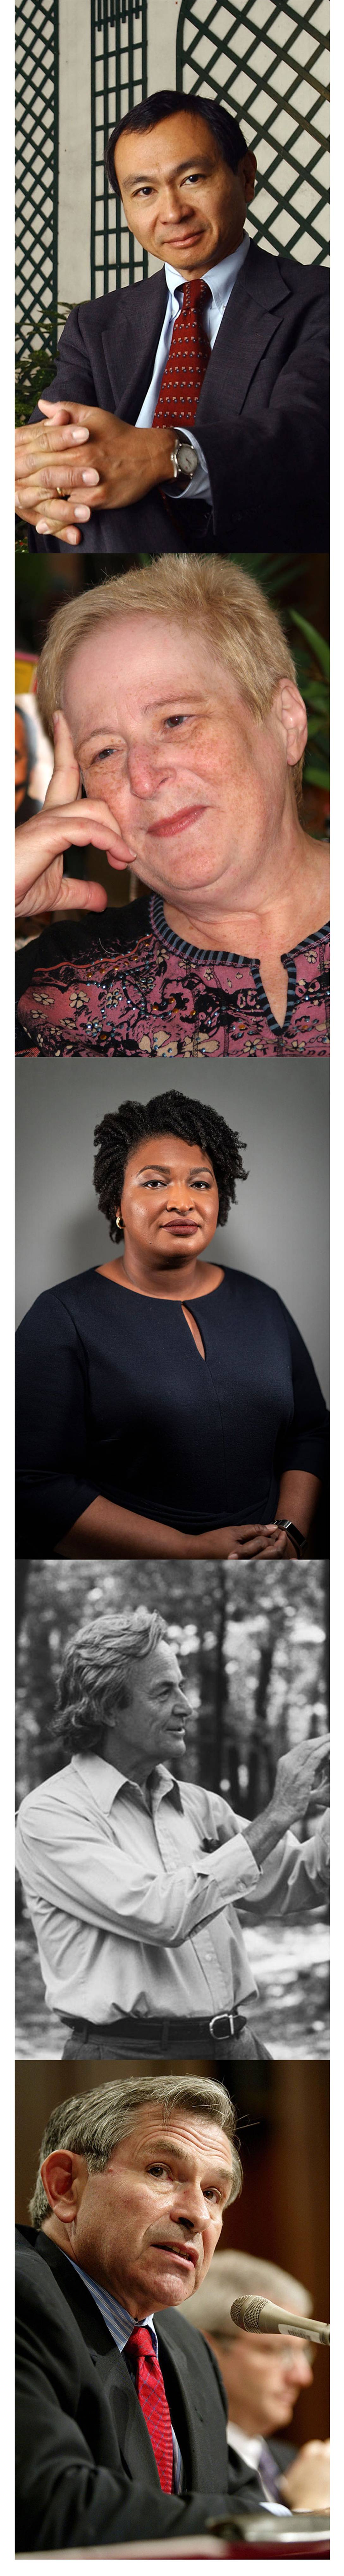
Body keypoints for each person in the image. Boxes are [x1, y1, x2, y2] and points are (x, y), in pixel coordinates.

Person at [15, 557, 330, 1057]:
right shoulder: (53, 989)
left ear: (286, 721)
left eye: (176, 720)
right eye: (105, 752)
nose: (142, 779)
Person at [15, 1089, 329, 1560]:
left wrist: (291, 1536)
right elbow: (34, 1484)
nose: (182, 1202)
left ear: (219, 1200)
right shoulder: (61, 1317)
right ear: (117, 1203)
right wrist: (185, 1549)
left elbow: (309, 1432)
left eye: (200, 1184)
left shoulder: (263, 1302)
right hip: (140, 1567)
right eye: (155, 1183)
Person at [14, 90, 329, 557]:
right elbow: (51, 442)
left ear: (245, 177)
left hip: (260, 553)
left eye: (193, 178)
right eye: (144, 191)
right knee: (84, 491)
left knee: (100, 497)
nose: (172, 212)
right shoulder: (94, 324)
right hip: (95, 545)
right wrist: (33, 478)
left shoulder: (321, 299)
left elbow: (309, 435)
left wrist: (164, 456)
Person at [15, 1602, 330, 2058]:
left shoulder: (201, 1805)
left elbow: (298, 1881)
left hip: (237, 2046)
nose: (187, 1707)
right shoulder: (50, 1815)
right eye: (164, 1693)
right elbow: (163, 1914)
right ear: (107, 1709)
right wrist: (281, 1812)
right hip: (128, 2059)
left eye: (182, 1688)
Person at [17, 2068, 306, 2552]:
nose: (196, 2214)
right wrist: (283, 2522)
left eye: (214, 2194)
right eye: (161, 2172)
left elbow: (234, 2493)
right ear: (66, 2186)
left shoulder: (182, 2344)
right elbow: (50, 2503)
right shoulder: (19, 2298)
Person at [180, 2248, 330, 2513]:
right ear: (205, 2349)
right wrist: (312, 2510)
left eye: (303, 2352)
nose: (303, 2377)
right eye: (276, 2351)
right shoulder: (180, 2468)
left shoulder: (301, 2467)